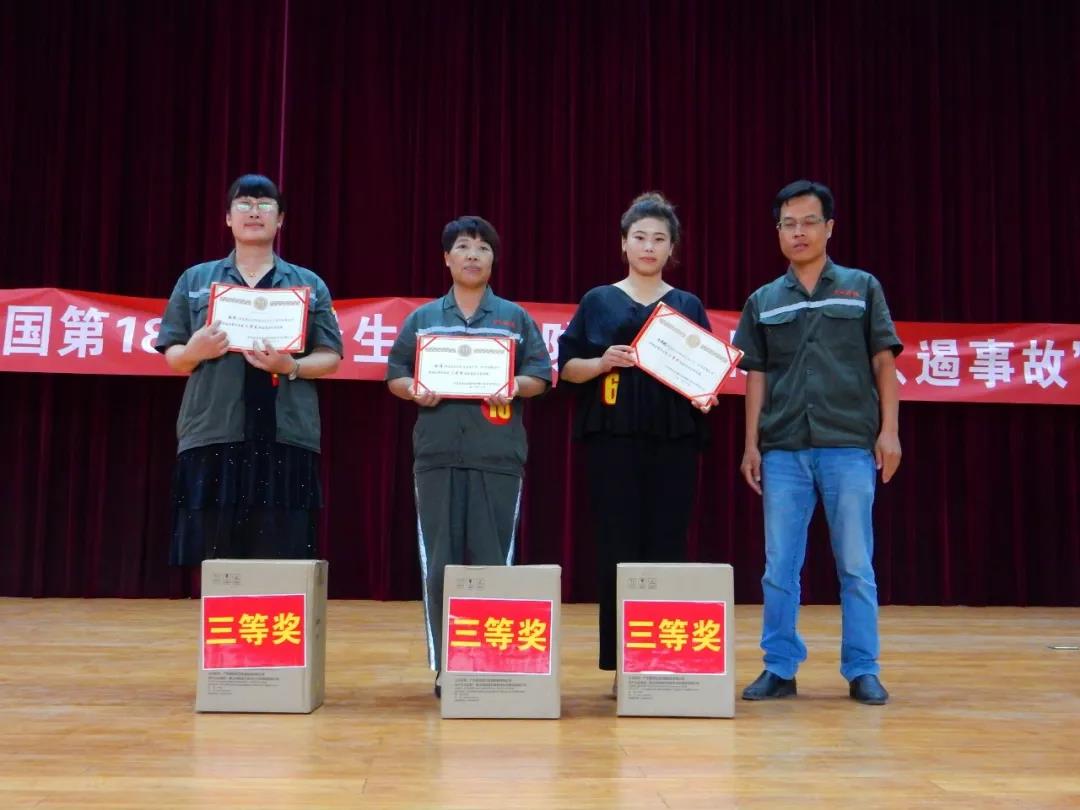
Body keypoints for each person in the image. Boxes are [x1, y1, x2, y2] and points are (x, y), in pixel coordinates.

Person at [733, 179, 902, 705]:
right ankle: (779, 667)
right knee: (779, 568)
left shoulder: (861, 287)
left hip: (848, 445)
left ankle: (863, 668)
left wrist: (890, 432)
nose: (799, 232)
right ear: (778, 232)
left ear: (829, 227)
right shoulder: (763, 300)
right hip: (783, 448)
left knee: (855, 565)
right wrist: (751, 444)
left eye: (809, 222)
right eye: (789, 224)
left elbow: (884, 362)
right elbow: (756, 376)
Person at [385, 215, 552, 696]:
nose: (473, 255)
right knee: (439, 563)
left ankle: (490, 659)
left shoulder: (514, 318)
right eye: (463, 246)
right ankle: (447, 665)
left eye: (482, 248)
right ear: (446, 258)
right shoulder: (423, 319)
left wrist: (512, 385)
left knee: (492, 560)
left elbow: (540, 376)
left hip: (497, 454)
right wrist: (414, 388)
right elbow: (396, 375)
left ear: (494, 259)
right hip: (437, 455)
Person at [557, 192, 716, 693]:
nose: (649, 246)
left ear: (672, 248)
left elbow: (705, 373)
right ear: (624, 244)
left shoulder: (687, 304)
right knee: (616, 546)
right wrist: (602, 362)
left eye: (659, 239)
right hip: (613, 440)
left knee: (668, 543)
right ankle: (623, 663)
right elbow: (567, 369)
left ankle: (662, 657)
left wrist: (705, 392)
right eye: (640, 237)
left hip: (673, 440)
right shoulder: (598, 300)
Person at [156, 174, 342, 566]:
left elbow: (330, 356)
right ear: (228, 218)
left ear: (281, 219)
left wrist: (291, 365)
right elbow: (173, 354)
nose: (254, 212)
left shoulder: (308, 284)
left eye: (264, 204)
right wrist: (195, 351)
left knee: (282, 556)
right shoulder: (196, 280)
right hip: (214, 431)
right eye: (244, 204)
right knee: (216, 556)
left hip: (286, 433)